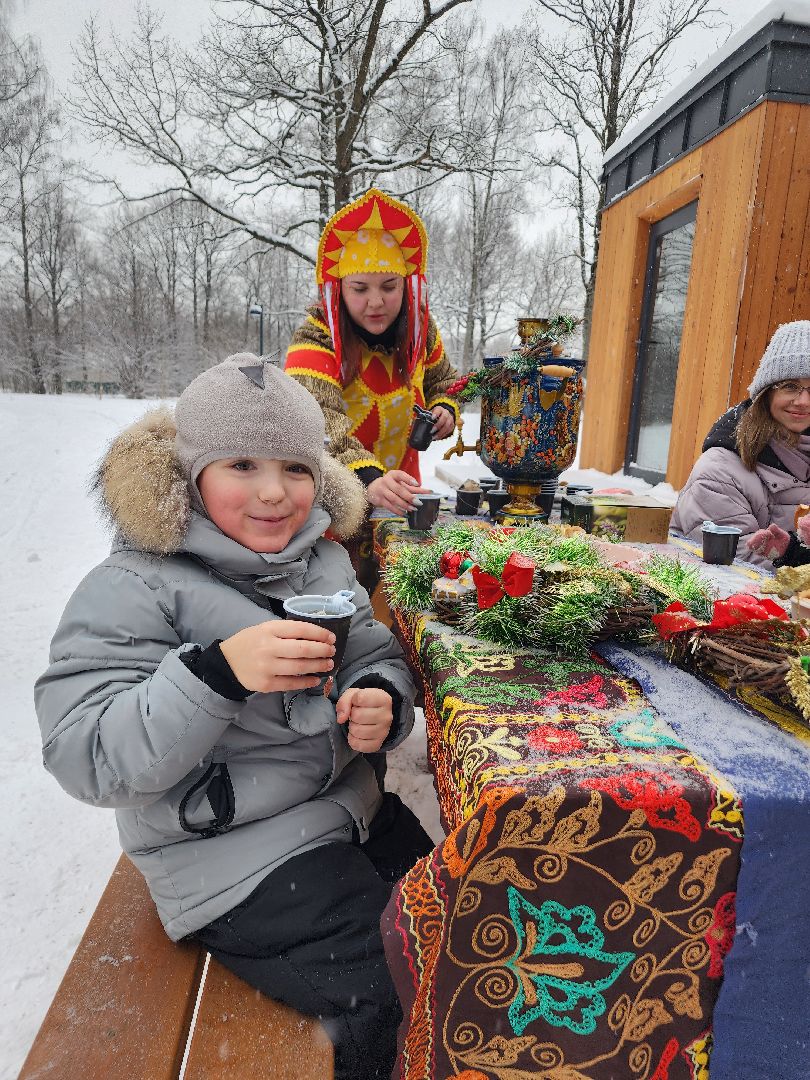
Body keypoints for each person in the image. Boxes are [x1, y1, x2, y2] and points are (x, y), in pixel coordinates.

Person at [34, 356, 434, 1080]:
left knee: (466, 912)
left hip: (347, 812)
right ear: (188, 476)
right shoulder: (135, 586)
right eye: (241, 464)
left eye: (296, 467)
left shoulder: (322, 562)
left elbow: (373, 650)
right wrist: (213, 675)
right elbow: (84, 754)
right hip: (235, 859)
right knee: (400, 986)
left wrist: (380, 695)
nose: (275, 492)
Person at [285, 187, 460, 591]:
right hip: (329, 506)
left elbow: (444, 380)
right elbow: (318, 424)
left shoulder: (419, 329)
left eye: (389, 286)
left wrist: (446, 408)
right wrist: (368, 478)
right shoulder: (316, 334)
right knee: (339, 608)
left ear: (407, 285)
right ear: (339, 288)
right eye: (360, 288)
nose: (376, 302)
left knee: (399, 609)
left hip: (400, 503)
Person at [671, 321, 810, 567]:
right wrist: (792, 555)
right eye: (790, 387)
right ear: (766, 393)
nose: (803, 401)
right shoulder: (720, 472)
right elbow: (737, 566)